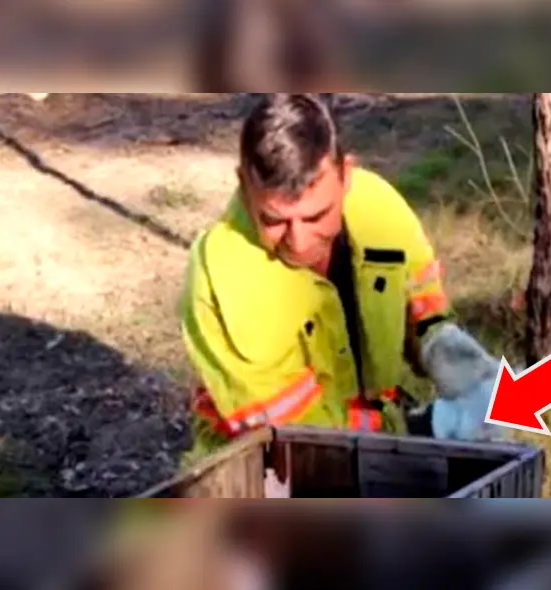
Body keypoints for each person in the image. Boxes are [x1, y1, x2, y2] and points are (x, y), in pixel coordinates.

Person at [178, 94, 509, 454]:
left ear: (345, 174)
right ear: (244, 184)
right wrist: (426, 427)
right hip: (266, 468)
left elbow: (424, 311)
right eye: (274, 220)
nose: (299, 241)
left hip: (371, 444)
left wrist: (464, 369)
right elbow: (298, 439)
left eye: (316, 216)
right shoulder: (223, 275)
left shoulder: (379, 208)